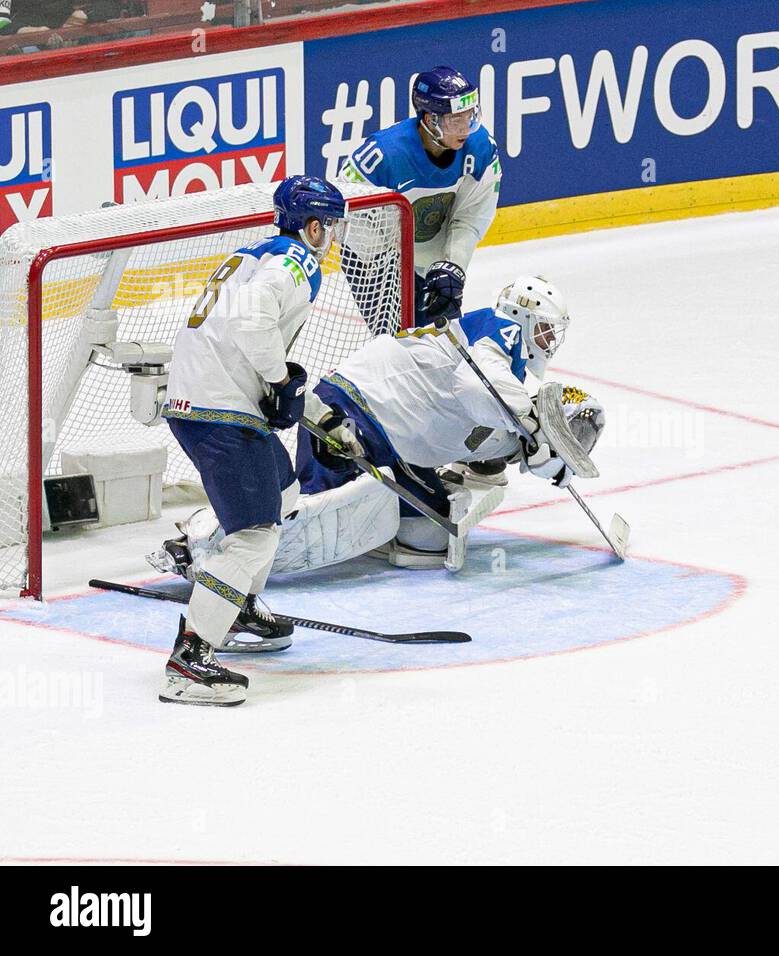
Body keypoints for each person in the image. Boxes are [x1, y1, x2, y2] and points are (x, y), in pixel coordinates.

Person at [149, 275, 605, 583]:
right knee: (300, 518)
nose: (548, 340)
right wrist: (530, 426)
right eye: (544, 329)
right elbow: (474, 388)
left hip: (392, 440)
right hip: (352, 413)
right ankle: (195, 545)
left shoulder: (510, 370)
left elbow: (487, 428)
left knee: (429, 541)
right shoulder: (499, 329)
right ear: (523, 316)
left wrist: (542, 455)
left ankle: (367, 518)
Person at [157, 175, 347, 706]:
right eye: (329, 227)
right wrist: (283, 380)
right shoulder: (295, 261)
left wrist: (310, 409)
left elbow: (240, 330)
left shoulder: (252, 255)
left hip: (206, 401)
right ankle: (190, 660)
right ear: (312, 227)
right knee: (255, 536)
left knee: (284, 493)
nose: (330, 238)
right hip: (221, 411)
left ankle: (233, 599)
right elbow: (251, 322)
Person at [339, 65, 501, 330]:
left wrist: (451, 267)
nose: (465, 127)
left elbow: (470, 218)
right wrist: (397, 277)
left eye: (469, 116)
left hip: (431, 255)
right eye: (455, 120)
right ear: (429, 120)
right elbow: (350, 224)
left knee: (443, 343)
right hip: (375, 258)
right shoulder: (382, 157)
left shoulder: (480, 149)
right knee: (397, 342)